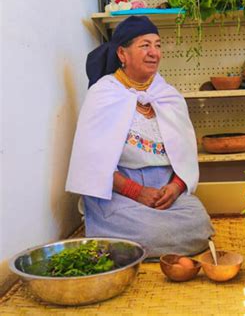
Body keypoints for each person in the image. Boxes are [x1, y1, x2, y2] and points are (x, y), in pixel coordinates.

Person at [66, 16, 214, 257]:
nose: (154, 53)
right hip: (118, 192)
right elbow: (92, 165)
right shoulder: (104, 94)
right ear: (122, 54)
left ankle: (141, 241)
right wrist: (137, 192)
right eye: (145, 45)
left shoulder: (166, 94)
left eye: (157, 45)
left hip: (163, 191)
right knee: (153, 233)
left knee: (198, 222)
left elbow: (184, 154)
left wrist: (175, 188)